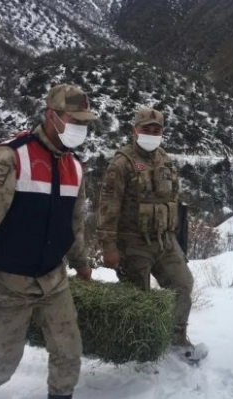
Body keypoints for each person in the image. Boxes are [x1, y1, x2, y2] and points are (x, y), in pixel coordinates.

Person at [0, 84, 96, 399]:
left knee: (69, 352)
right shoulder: (9, 157)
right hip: (7, 281)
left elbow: (73, 223)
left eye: (85, 122)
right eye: (73, 119)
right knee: (4, 360)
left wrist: (81, 263)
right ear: (51, 115)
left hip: (53, 279)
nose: (80, 128)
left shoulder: (74, 167)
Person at [96, 107, 198, 356]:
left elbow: (174, 200)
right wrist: (109, 247)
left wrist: (177, 239)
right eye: (146, 129)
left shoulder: (166, 160)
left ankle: (176, 337)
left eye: (157, 130)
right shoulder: (121, 163)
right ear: (135, 130)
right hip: (133, 244)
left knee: (182, 284)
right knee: (138, 299)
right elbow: (108, 208)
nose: (151, 133)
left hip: (165, 241)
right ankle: (141, 348)